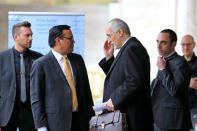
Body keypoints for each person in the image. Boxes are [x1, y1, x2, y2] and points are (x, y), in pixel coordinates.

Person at [30, 25, 95, 131]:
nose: (74, 41)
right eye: (70, 38)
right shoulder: (41, 64)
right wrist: (41, 127)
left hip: (81, 122)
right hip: (56, 124)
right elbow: (36, 99)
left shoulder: (78, 60)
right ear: (58, 40)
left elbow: (86, 92)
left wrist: (92, 119)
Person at [99, 18, 154, 131]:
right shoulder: (129, 48)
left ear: (120, 32)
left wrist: (114, 99)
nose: (108, 41)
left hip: (133, 118)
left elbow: (134, 80)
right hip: (129, 117)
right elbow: (120, 77)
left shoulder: (132, 48)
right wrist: (109, 57)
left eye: (109, 35)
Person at [0, 21, 42, 131]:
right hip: (7, 114)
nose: (31, 38)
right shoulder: (1, 58)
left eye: (31, 35)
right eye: (27, 35)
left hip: (31, 113)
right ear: (16, 37)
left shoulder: (39, 59)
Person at [151, 29, 192, 131]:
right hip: (160, 120)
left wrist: (163, 69)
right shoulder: (164, 60)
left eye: (163, 43)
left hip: (173, 122)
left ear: (173, 44)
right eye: (157, 42)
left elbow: (174, 90)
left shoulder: (180, 63)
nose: (158, 46)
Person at [181, 35, 197, 131]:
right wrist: (188, 84)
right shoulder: (176, 63)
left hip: (195, 107)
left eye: (188, 44)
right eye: (183, 45)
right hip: (179, 108)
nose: (185, 47)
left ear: (194, 45)